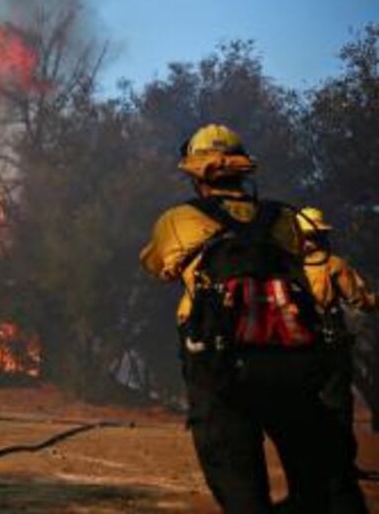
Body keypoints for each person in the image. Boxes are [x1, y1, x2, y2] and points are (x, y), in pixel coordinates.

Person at [139, 124, 366, 513]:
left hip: (220, 369)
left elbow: (159, 267)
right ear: (244, 171)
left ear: (195, 174)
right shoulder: (284, 220)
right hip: (292, 364)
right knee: (317, 481)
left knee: (239, 483)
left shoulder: (178, 219)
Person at [299, 207, 377, 460]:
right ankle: (341, 464)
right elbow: (360, 300)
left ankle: (312, 463)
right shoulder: (334, 265)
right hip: (330, 340)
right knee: (337, 403)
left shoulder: (283, 265)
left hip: (294, 344)